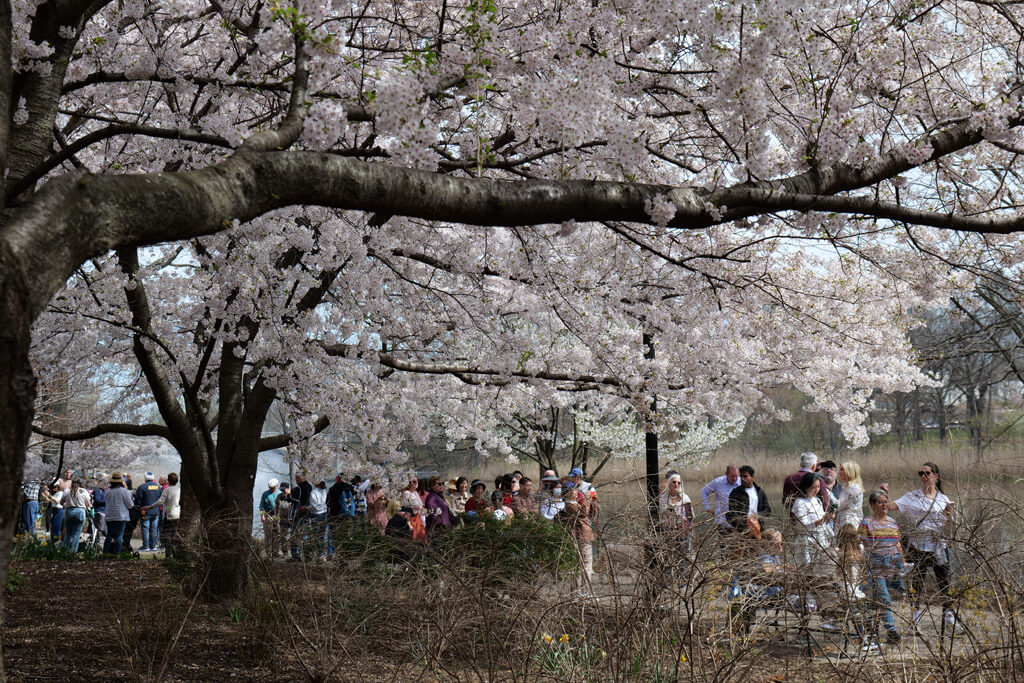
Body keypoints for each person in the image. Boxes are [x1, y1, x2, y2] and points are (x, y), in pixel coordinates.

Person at [885, 461, 955, 631]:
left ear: (935, 477)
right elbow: (890, 507)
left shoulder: (943, 499)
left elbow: (949, 528)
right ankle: (915, 620)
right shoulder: (912, 497)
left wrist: (948, 515)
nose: (923, 477)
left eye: (927, 473)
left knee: (945, 584)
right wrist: (884, 494)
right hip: (918, 546)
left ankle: (950, 619)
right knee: (916, 585)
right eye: (921, 473)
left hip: (938, 546)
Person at [859, 489, 904, 644]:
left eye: (886, 502)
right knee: (883, 599)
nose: (884, 505)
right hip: (875, 568)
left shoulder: (892, 522)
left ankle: (875, 629)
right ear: (872, 505)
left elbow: (897, 543)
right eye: (880, 502)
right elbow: (860, 545)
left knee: (894, 597)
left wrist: (902, 563)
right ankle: (890, 631)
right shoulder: (866, 523)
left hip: (892, 567)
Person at [791, 471, 834, 568]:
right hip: (807, 540)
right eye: (813, 487)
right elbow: (804, 524)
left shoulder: (817, 500)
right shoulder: (799, 502)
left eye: (818, 487)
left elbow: (821, 516)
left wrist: (828, 516)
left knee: (821, 564)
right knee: (807, 565)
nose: (816, 490)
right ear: (806, 487)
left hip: (820, 538)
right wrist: (821, 520)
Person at [557, 486, 595, 594]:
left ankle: (581, 590)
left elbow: (589, 514)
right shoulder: (570, 505)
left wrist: (592, 502)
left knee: (583, 565)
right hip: (580, 536)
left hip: (583, 536)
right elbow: (582, 514)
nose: (576, 493)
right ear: (568, 494)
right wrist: (587, 499)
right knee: (584, 564)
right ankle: (582, 591)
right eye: (574, 491)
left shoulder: (575, 503)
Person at [143, 473, 181, 558]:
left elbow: (160, 502)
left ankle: (169, 553)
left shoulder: (167, 490)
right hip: (178, 515)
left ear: (169, 480)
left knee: (165, 535)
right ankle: (175, 553)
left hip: (169, 515)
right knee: (174, 534)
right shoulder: (179, 489)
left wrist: (150, 507)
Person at [727, 465, 771, 537]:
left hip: (758, 529)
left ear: (752, 477)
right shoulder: (735, 493)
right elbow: (732, 513)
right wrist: (743, 527)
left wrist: (758, 515)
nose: (742, 479)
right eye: (741, 476)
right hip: (741, 531)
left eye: (745, 476)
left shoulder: (759, 492)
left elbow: (767, 510)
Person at [783, 452, 830, 518]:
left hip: (794, 519)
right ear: (814, 466)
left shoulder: (789, 478)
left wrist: (792, 515)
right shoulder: (818, 480)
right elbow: (825, 503)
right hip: (816, 521)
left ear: (800, 464)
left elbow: (785, 501)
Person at [700, 464, 740, 534]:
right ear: (726, 474)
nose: (734, 479)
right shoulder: (718, 482)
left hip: (739, 523)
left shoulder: (742, 483)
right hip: (723, 522)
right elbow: (704, 491)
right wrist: (707, 508)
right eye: (732, 476)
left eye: (736, 476)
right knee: (723, 544)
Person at [103, 472, 134, 555]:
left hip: (110, 516)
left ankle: (105, 553)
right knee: (119, 536)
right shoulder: (124, 491)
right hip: (121, 516)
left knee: (109, 536)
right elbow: (130, 505)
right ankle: (117, 554)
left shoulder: (108, 491)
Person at [134, 472, 163, 552]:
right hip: (156, 512)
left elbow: (137, 501)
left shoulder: (142, 487)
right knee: (154, 529)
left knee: (145, 529)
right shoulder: (158, 487)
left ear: (145, 478)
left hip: (145, 511)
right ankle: (153, 546)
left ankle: (146, 546)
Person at [62, 478, 91, 552]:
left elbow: (62, 501)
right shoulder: (83, 491)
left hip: (69, 511)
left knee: (68, 533)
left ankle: (64, 550)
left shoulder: (67, 491)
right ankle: (73, 551)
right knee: (76, 534)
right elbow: (88, 504)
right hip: (80, 511)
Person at [837, 461, 864, 530]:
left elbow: (839, 505)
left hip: (848, 521)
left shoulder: (852, 488)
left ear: (849, 472)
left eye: (842, 470)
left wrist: (827, 493)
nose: (839, 472)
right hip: (851, 520)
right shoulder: (852, 486)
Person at [308, 479, 329, 561]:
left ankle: (318, 553)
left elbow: (313, 505)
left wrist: (306, 508)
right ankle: (322, 553)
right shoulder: (325, 491)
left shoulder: (313, 492)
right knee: (322, 535)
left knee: (316, 535)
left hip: (316, 515)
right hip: (324, 514)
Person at [259, 479, 281, 558]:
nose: (271, 489)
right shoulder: (265, 494)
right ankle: (268, 552)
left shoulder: (280, 494)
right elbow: (261, 507)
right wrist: (262, 516)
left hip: (277, 515)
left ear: (277, 486)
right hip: (268, 515)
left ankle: (275, 552)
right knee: (268, 534)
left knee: (277, 534)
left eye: (273, 487)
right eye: (270, 487)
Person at [90, 477, 107, 548]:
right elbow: (97, 500)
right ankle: (96, 545)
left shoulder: (103, 491)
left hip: (103, 513)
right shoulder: (98, 491)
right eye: (105, 484)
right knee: (97, 530)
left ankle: (95, 544)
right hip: (98, 513)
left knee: (99, 530)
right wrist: (107, 500)